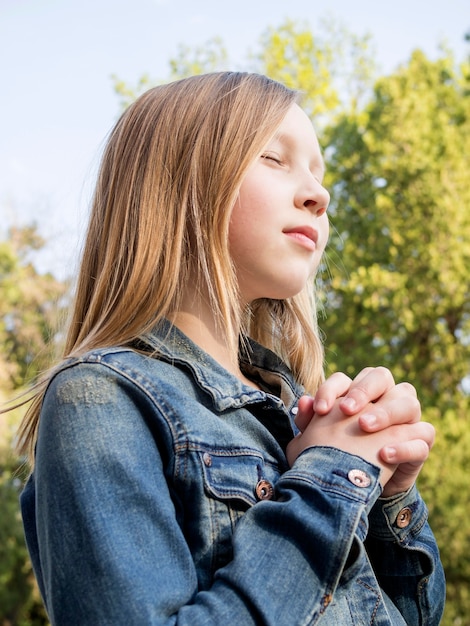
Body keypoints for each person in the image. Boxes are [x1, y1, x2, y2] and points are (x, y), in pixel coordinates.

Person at [16, 72, 445, 625]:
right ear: (177, 185)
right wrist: (334, 476)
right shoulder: (97, 398)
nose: (320, 193)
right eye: (274, 157)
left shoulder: (295, 415)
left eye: (318, 172)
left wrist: (386, 494)